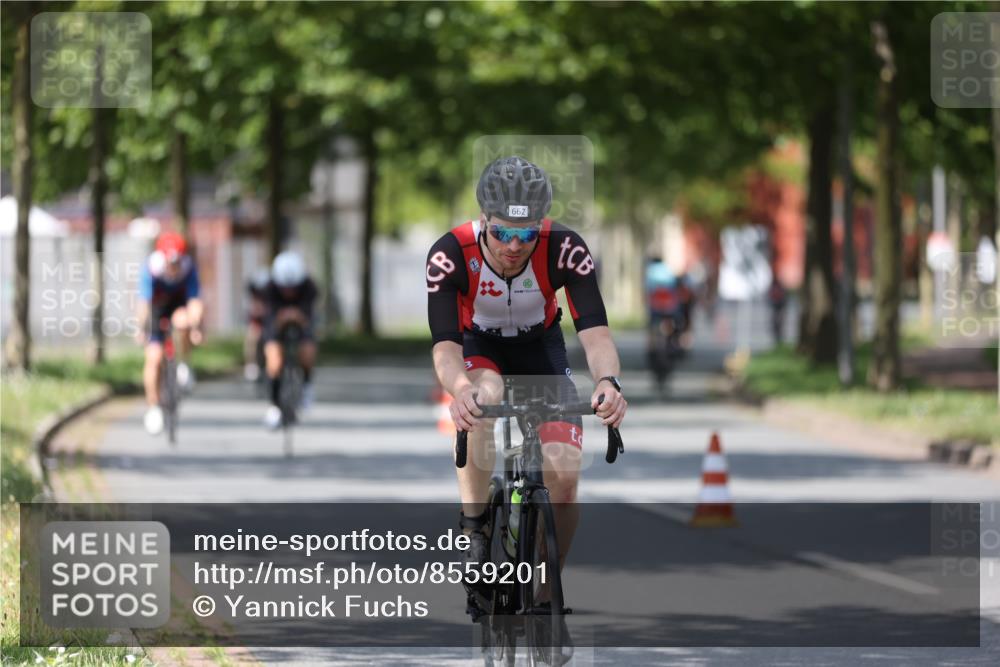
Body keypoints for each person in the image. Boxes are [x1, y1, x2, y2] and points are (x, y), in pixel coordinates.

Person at [426, 156, 627, 604]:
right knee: (484, 397)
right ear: (483, 220)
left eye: (526, 234)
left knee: (565, 479)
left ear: (541, 225)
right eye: (502, 233)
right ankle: (475, 527)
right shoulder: (450, 254)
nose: (514, 246)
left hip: (540, 346)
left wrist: (608, 381)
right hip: (479, 344)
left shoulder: (565, 248)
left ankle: (547, 591)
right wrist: (460, 390)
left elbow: (596, 335)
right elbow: (445, 348)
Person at [136, 231, 204, 435]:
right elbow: (144, 303)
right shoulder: (152, 269)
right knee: (154, 359)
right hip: (156, 308)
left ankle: (184, 363)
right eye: (170, 262)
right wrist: (141, 329)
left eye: (177, 262)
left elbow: (195, 302)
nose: (173, 267)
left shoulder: (188, 269)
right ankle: (153, 407)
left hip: (178, 305)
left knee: (183, 322)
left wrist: (196, 328)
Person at [262, 250, 318, 430]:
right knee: (274, 359)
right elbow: (270, 319)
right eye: (285, 288)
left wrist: (297, 317)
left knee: (307, 351)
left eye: (293, 288)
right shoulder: (269, 289)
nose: (289, 292)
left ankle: (306, 386)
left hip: (302, 324)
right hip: (276, 325)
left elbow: (309, 317)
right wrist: (283, 318)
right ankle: (274, 405)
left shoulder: (310, 287)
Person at [243, 267, 271, 382]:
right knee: (252, 336)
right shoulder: (254, 293)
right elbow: (253, 309)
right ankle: (251, 363)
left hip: (271, 320)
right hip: (257, 320)